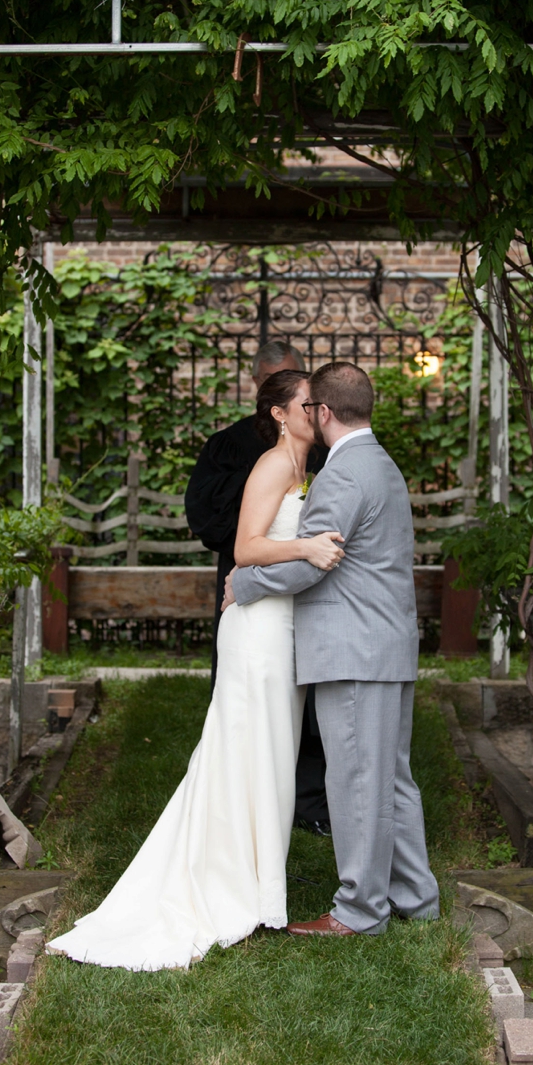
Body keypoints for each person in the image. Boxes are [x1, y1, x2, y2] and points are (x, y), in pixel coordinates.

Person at [46, 370, 345, 971]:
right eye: (305, 402)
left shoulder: (307, 469)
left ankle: (260, 883)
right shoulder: (271, 466)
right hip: (257, 634)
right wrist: (305, 547)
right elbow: (245, 548)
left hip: (282, 628)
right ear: (280, 414)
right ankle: (234, 886)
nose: (317, 409)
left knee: (270, 755)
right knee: (246, 751)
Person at [225, 362, 440, 936]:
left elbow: (311, 563)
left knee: (356, 780)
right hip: (384, 646)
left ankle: (360, 910)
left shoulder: (343, 475)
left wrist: (240, 585)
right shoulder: (380, 463)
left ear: (322, 412)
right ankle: (416, 899)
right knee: (391, 777)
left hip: (353, 649)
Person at [185, 340, 330, 834]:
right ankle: (237, 821)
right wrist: (264, 559)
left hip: (301, 596)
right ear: (266, 394)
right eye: (297, 394)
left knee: (294, 709)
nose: (311, 406)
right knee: (246, 709)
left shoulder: (317, 455)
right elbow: (223, 527)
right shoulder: (235, 448)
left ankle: (298, 804)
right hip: (252, 589)